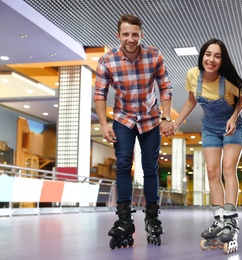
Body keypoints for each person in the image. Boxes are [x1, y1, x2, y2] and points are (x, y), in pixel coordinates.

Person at [94, 13, 173, 248]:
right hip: (123, 118)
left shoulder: (154, 55)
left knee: (150, 167)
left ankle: (152, 216)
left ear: (142, 35)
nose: (130, 39)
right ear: (118, 36)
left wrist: (166, 117)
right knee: (123, 163)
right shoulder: (107, 61)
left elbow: (165, 86)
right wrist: (104, 124)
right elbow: (100, 94)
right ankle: (124, 219)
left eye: (135, 34)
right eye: (126, 34)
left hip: (150, 119)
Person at [172, 38, 242, 254]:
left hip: (233, 126)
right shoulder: (192, 75)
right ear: (202, 55)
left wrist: (234, 117)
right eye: (208, 54)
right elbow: (191, 100)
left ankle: (231, 221)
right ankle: (219, 219)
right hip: (210, 127)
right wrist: (176, 123)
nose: (211, 59)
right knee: (212, 171)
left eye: (217, 56)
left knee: (227, 168)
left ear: (222, 61)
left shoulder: (228, 81)